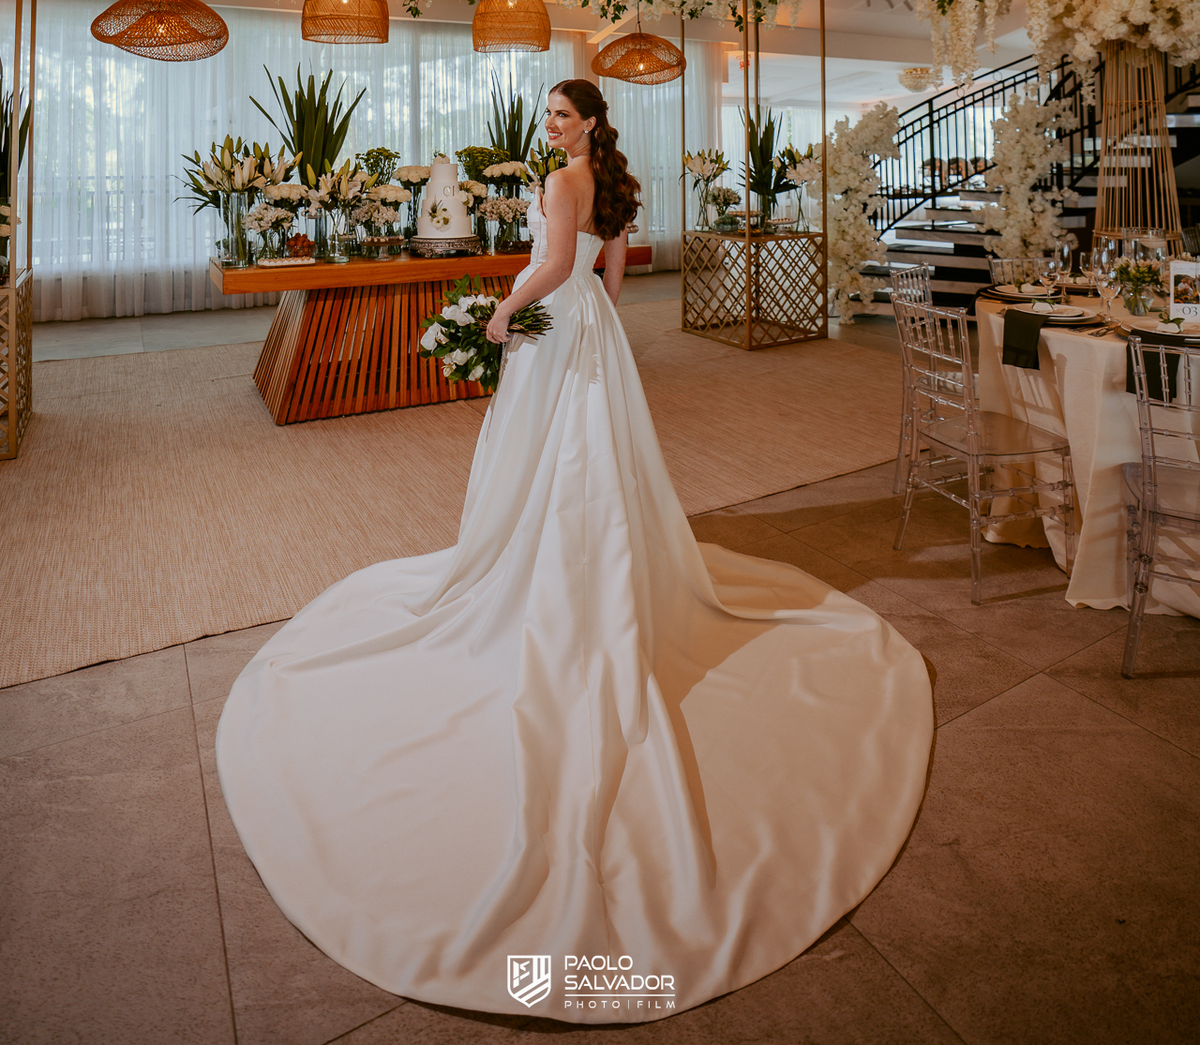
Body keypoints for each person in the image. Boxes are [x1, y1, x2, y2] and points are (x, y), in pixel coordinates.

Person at [216, 80, 932, 1025]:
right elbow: (612, 266)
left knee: (555, 455)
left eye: (562, 114)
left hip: (560, 323)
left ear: (588, 121)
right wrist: (585, 307)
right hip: (596, 333)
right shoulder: (608, 179)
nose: (551, 126)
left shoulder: (563, 179)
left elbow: (558, 263)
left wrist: (503, 312)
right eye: (549, 115)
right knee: (591, 456)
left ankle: (548, 574)